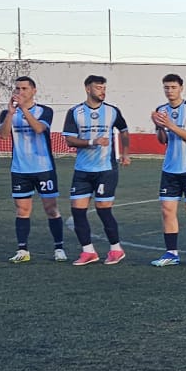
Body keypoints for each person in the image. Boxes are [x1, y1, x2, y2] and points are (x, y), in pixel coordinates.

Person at [60, 74, 131, 266]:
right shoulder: (75, 112)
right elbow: (69, 140)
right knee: (78, 211)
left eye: (104, 88)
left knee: (103, 210)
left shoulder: (112, 111)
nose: (102, 91)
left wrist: (125, 153)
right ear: (88, 89)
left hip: (105, 169)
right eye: (98, 87)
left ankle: (116, 249)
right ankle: (88, 251)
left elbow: (123, 131)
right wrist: (92, 142)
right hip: (82, 170)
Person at [0, 75, 66, 263]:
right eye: (17, 89)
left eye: (24, 89)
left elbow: (39, 129)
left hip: (43, 167)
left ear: (33, 91)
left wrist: (23, 109)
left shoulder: (45, 111)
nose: (20, 92)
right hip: (20, 169)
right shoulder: (7, 113)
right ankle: (23, 250)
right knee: (22, 210)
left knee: (51, 209)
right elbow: (3, 135)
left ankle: (59, 248)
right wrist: (11, 113)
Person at [148, 73, 186, 267]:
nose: (169, 91)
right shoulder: (161, 110)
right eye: (166, 87)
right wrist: (159, 127)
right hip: (170, 168)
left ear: (181, 88)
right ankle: (171, 253)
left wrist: (170, 125)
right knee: (167, 210)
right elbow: (162, 140)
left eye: (173, 87)